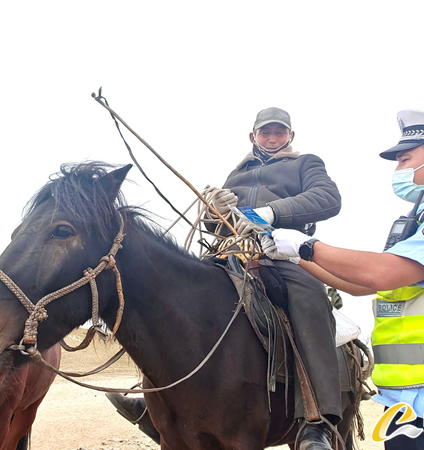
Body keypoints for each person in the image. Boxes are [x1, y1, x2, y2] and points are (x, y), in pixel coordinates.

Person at [269, 110, 424, 449]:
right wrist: (294, 257)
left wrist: (307, 245)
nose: (398, 169)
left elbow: (382, 272)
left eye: (405, 159)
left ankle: (318, 420)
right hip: (410, 413)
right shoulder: (421, 223)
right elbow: (363, 285)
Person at [108, 107, 344, 450]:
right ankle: (156, 401)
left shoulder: (306, 164)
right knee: (172, 297)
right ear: (253, 136)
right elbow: (219, 226)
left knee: (310, 299)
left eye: (279, 132)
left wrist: (270, 212)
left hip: (282, 252)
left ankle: (318, 419)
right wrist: (213, 212)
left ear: (290, 136)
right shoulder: (237, 173)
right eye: (266, 132)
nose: (272, 138)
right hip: (228, 253)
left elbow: (328, 198)